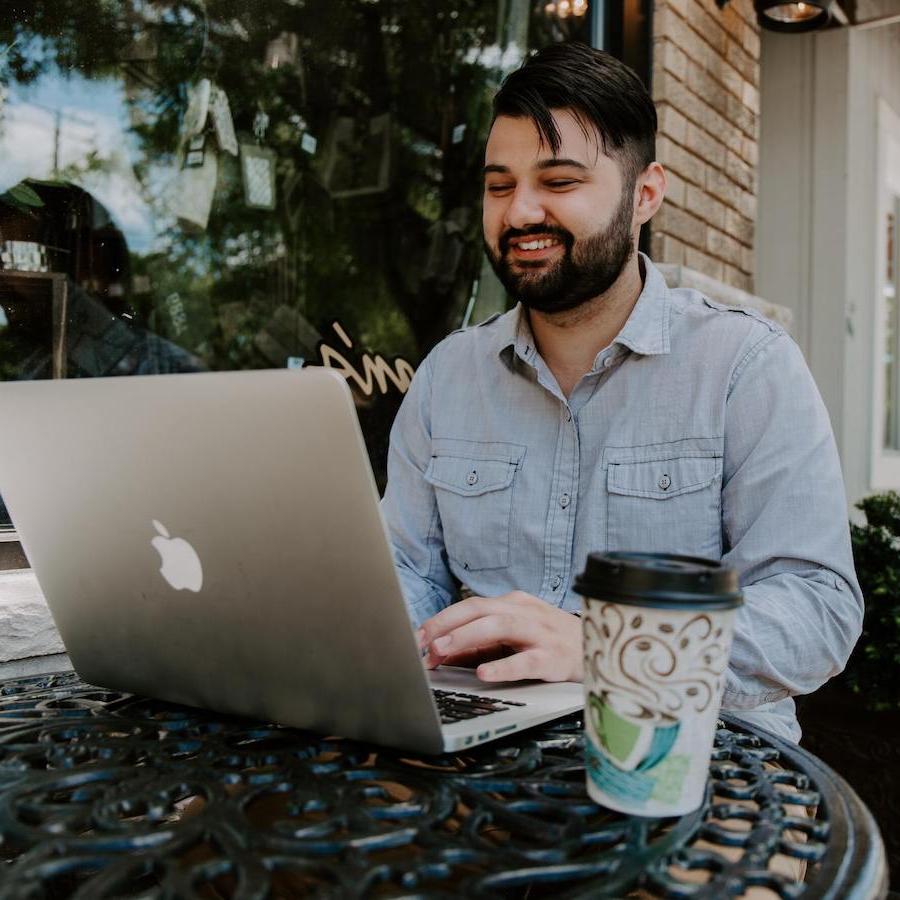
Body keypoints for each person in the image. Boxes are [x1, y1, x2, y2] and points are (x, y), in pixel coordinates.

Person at [379, 42, 862, 742]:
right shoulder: (446, 377)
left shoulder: (746, 367)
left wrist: (605, 651)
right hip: (487, 758)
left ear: (646, 194)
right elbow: (407, 570)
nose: (520, 213)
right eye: (500, 184)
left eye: (559, 181)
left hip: (704, 766)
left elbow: (816, 612)